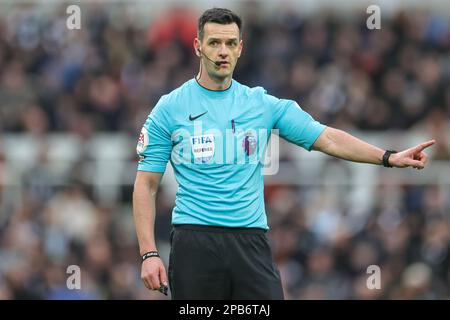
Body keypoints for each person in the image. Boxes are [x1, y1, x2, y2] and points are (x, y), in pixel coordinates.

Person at [132, 7, 435, 300]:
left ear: (240, 48)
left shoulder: (261, 104)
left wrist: (387, 157)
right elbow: (146, 184)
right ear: (198, 47)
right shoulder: (170, 109)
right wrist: (149, 253)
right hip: (194, 240)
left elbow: (326, 138)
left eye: (229, 43)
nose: (222, 51)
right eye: (214, 43)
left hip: (249, 240)